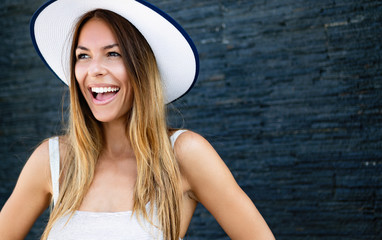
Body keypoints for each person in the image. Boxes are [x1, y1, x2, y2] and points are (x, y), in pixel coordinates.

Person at [0, 0, 275, 239]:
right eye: (83, 56)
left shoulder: (184, 154)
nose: (94, 70)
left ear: (141, 66)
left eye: (113, 53)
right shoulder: (52, 161)